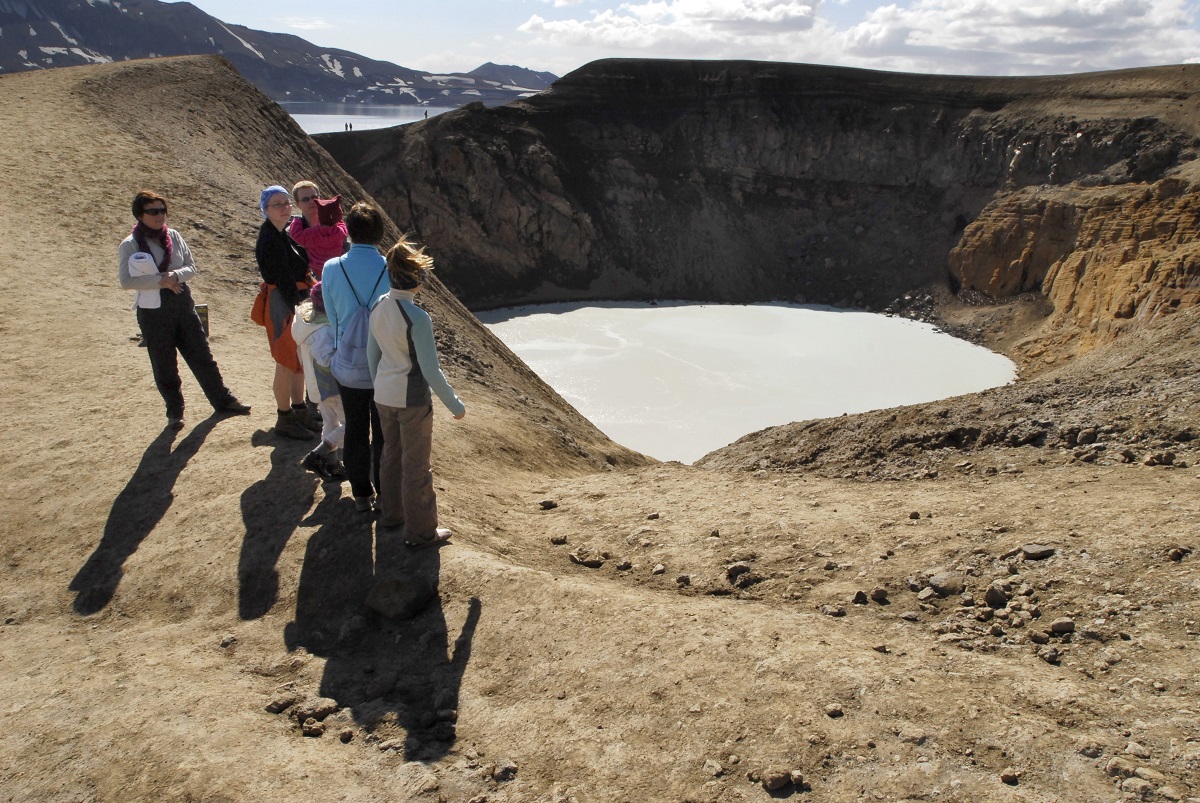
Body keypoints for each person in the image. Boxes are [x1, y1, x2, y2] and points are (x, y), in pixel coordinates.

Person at [118, 189, 251, 429]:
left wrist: (175, 276)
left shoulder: (174, 236)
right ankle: (174, 411)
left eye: (163, 210)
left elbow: (191, 267)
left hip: (182, 304)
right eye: (153, 211)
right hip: (153, 311)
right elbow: (127, 281)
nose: (160, 215)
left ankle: (223, 401)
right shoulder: (130, 245)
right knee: (164, 363)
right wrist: (161, 281)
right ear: (139, 215)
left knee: (202, 355)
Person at [367, 235, 465, 547]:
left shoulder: (379, 307)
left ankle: (391, 515)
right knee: (416, 468)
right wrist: (455, 404)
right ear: (416, 279)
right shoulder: (417, 318)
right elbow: (430, 370)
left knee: (390, 456)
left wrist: (380, 384)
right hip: (412, 401)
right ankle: (421, 531)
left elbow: (373, 355)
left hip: (383, 396)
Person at [320, 202, 389, 511]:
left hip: (347, 365)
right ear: (380, 233)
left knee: (357, 429)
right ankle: (386, 493)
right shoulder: (391, 267)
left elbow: (333, 319)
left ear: (347, 231)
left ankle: (361, 494)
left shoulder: (332, 268)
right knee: (384, 432)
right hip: (386, 363)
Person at [255, 185, 317, 440]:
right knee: (285, 362)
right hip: (284, 302)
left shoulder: (283, 233)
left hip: (293, 299)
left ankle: (299, 410)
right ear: (266, 210)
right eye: (277, 204)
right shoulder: (270, 239)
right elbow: (282, 278)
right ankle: (285, 417)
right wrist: (301, 309)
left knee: (298, 360)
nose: (284, 208)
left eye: (286, 203)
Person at [291, 282, 347, 480]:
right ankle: (318, 454)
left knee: (330, 422)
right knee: (354, 425)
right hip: (333, 386)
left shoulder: (306, 324)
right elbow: (325, 358)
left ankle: (332, 465)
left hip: (318, 386)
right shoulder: (324, 330)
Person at [288, 181, 348, 281]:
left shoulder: (337, 227)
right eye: (306, 199)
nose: (311, 201)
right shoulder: (290, 236)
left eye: (314, 197)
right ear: (298, 204)